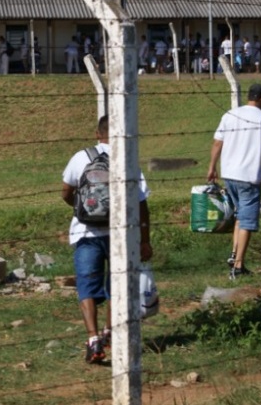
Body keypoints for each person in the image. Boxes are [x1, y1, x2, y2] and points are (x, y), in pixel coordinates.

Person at [62, 116, 152, 363]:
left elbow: (66, 192)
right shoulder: (127, 160)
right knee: (117, 284)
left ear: (97, 133)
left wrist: (81, 207)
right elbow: (142, 204)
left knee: (86, 285)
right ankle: (109, 332)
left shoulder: (81, 157)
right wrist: (145, 239)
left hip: (85, 232)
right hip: (120, 234)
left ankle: (92, 339)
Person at [206, 83, 261, 280]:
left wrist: (211, 166)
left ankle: (234, 256)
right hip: (248, 177)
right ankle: (238, 265)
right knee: (248, 220)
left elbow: (218, 142)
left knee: (239, 216)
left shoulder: (230, 115)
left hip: (229, 174)